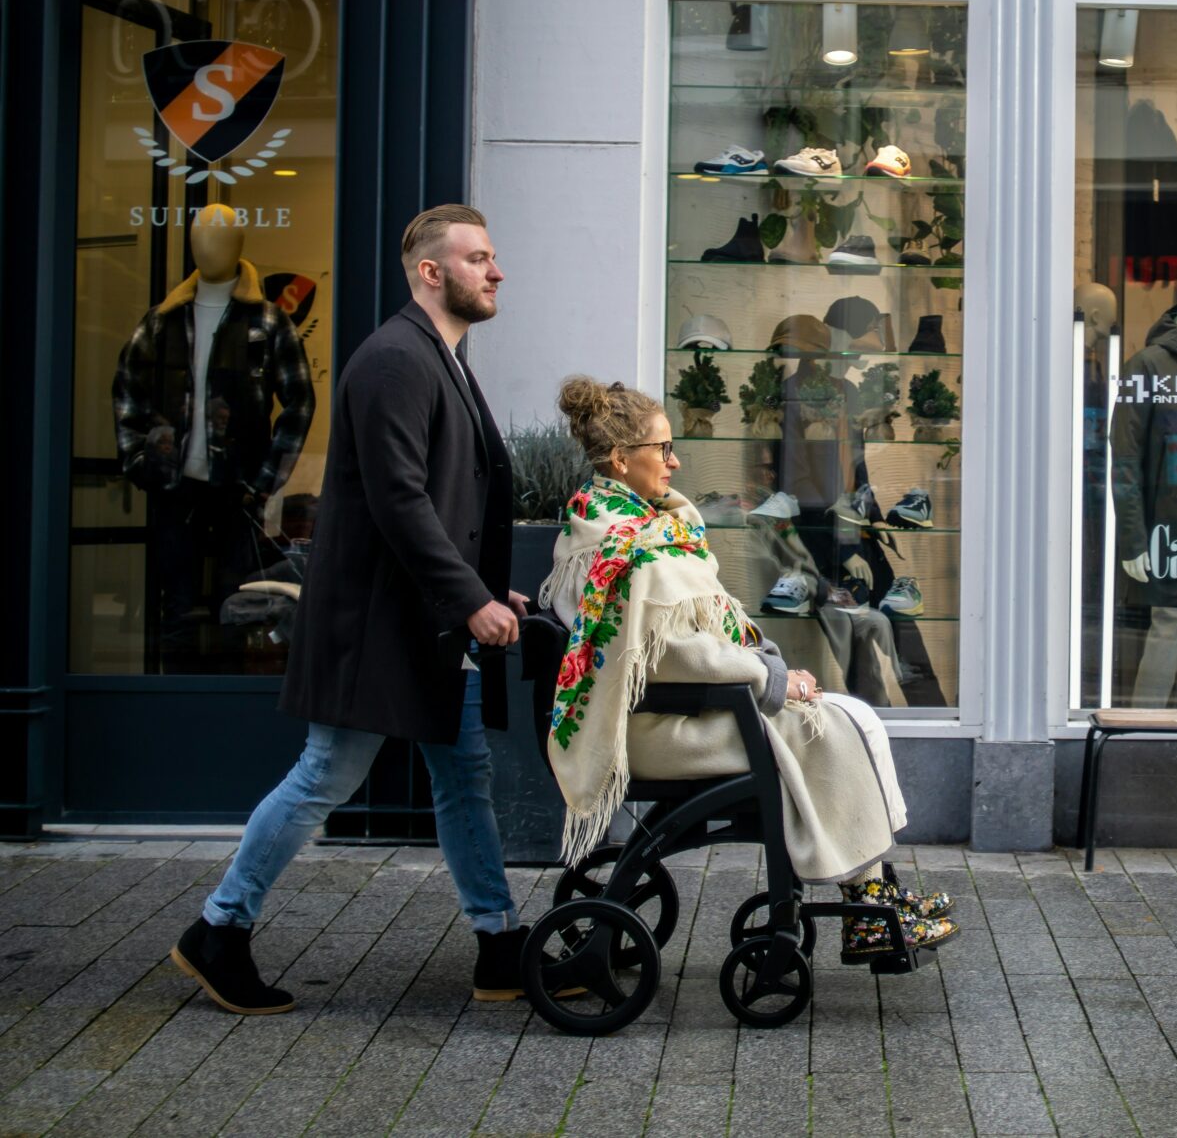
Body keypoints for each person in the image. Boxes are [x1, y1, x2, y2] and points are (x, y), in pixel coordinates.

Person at [170, 204, 538, 1014]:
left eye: (493, 254)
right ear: (431, 272)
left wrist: (482, 585)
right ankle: (219, 928)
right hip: (380, 623)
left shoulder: (437, 356)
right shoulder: (394, 360)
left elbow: (444, 495)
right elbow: (400, 498)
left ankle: (500, 942)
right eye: (478, 257)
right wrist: (467, 596)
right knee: (325, 775)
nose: (496, 270)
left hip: (422, 619)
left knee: (464, 774)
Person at [543, 376, 955, 964]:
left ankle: (874, 893)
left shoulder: (622, 527)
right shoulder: (624, 548)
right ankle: (865, 899)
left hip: (677, 710)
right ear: (620, 459)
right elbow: (679, 656)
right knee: (830, 725)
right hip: (658, 725)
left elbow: (692, 639)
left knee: (848, 715)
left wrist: (766, 669)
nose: (674, 461)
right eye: (662, 449)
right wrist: (773, 681)